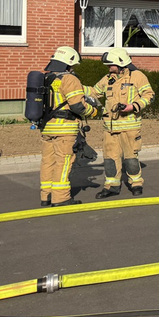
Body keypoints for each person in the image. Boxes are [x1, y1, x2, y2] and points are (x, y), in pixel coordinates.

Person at [88, 48, 155, 199]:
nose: (108, 67)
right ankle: (111, 186)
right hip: (110, 129)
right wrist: (76, 88)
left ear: (120, 63)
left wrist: (132, 107)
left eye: (110, 65)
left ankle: (136, 184)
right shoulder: (107, 78)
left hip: (130, 128)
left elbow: (149, 95)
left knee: (131, 158)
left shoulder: (137, 76)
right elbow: (94, 91)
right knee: (110, 159)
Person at [39, 46, 100, 207]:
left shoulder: (48, 78)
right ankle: (61, 198)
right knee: (63, 162)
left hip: (47, 128)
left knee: (48, 162)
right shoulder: (69, 79)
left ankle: (46, 196)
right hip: (65, 129)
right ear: (68, 63)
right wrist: (93, 111)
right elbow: (77, 107)